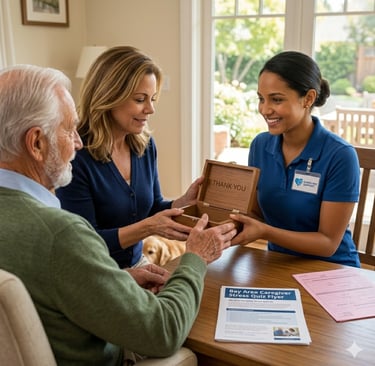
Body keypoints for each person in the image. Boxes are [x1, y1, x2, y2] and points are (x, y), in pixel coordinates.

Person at [0, 64, 237, 365]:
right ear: (36, 143)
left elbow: (48, 287)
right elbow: (163, 332)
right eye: (69, 129)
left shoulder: (45, 229)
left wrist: (118, 279)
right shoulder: (61, 234)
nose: (78, 142)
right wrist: (196, 258)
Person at [56, 46, 203, 269]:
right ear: (109, 96)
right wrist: (148, 228)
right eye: (140, 99)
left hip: (136, 264)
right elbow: (84, 243)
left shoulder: (143, 145)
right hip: (94, 272)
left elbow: (152, 206)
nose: (150, 109)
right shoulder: (76, 153)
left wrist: (182, 203)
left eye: (153, 98)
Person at [230, 50, 360, 267]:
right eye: (261, 99)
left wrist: (265, 232)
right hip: (278, 262)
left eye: (277, 99)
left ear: (308, 98)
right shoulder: (260, 146)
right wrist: (227, 198)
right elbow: (258, 214)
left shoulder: (340, 155)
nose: (265, 109)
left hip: (333, 268)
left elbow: (327, 243)